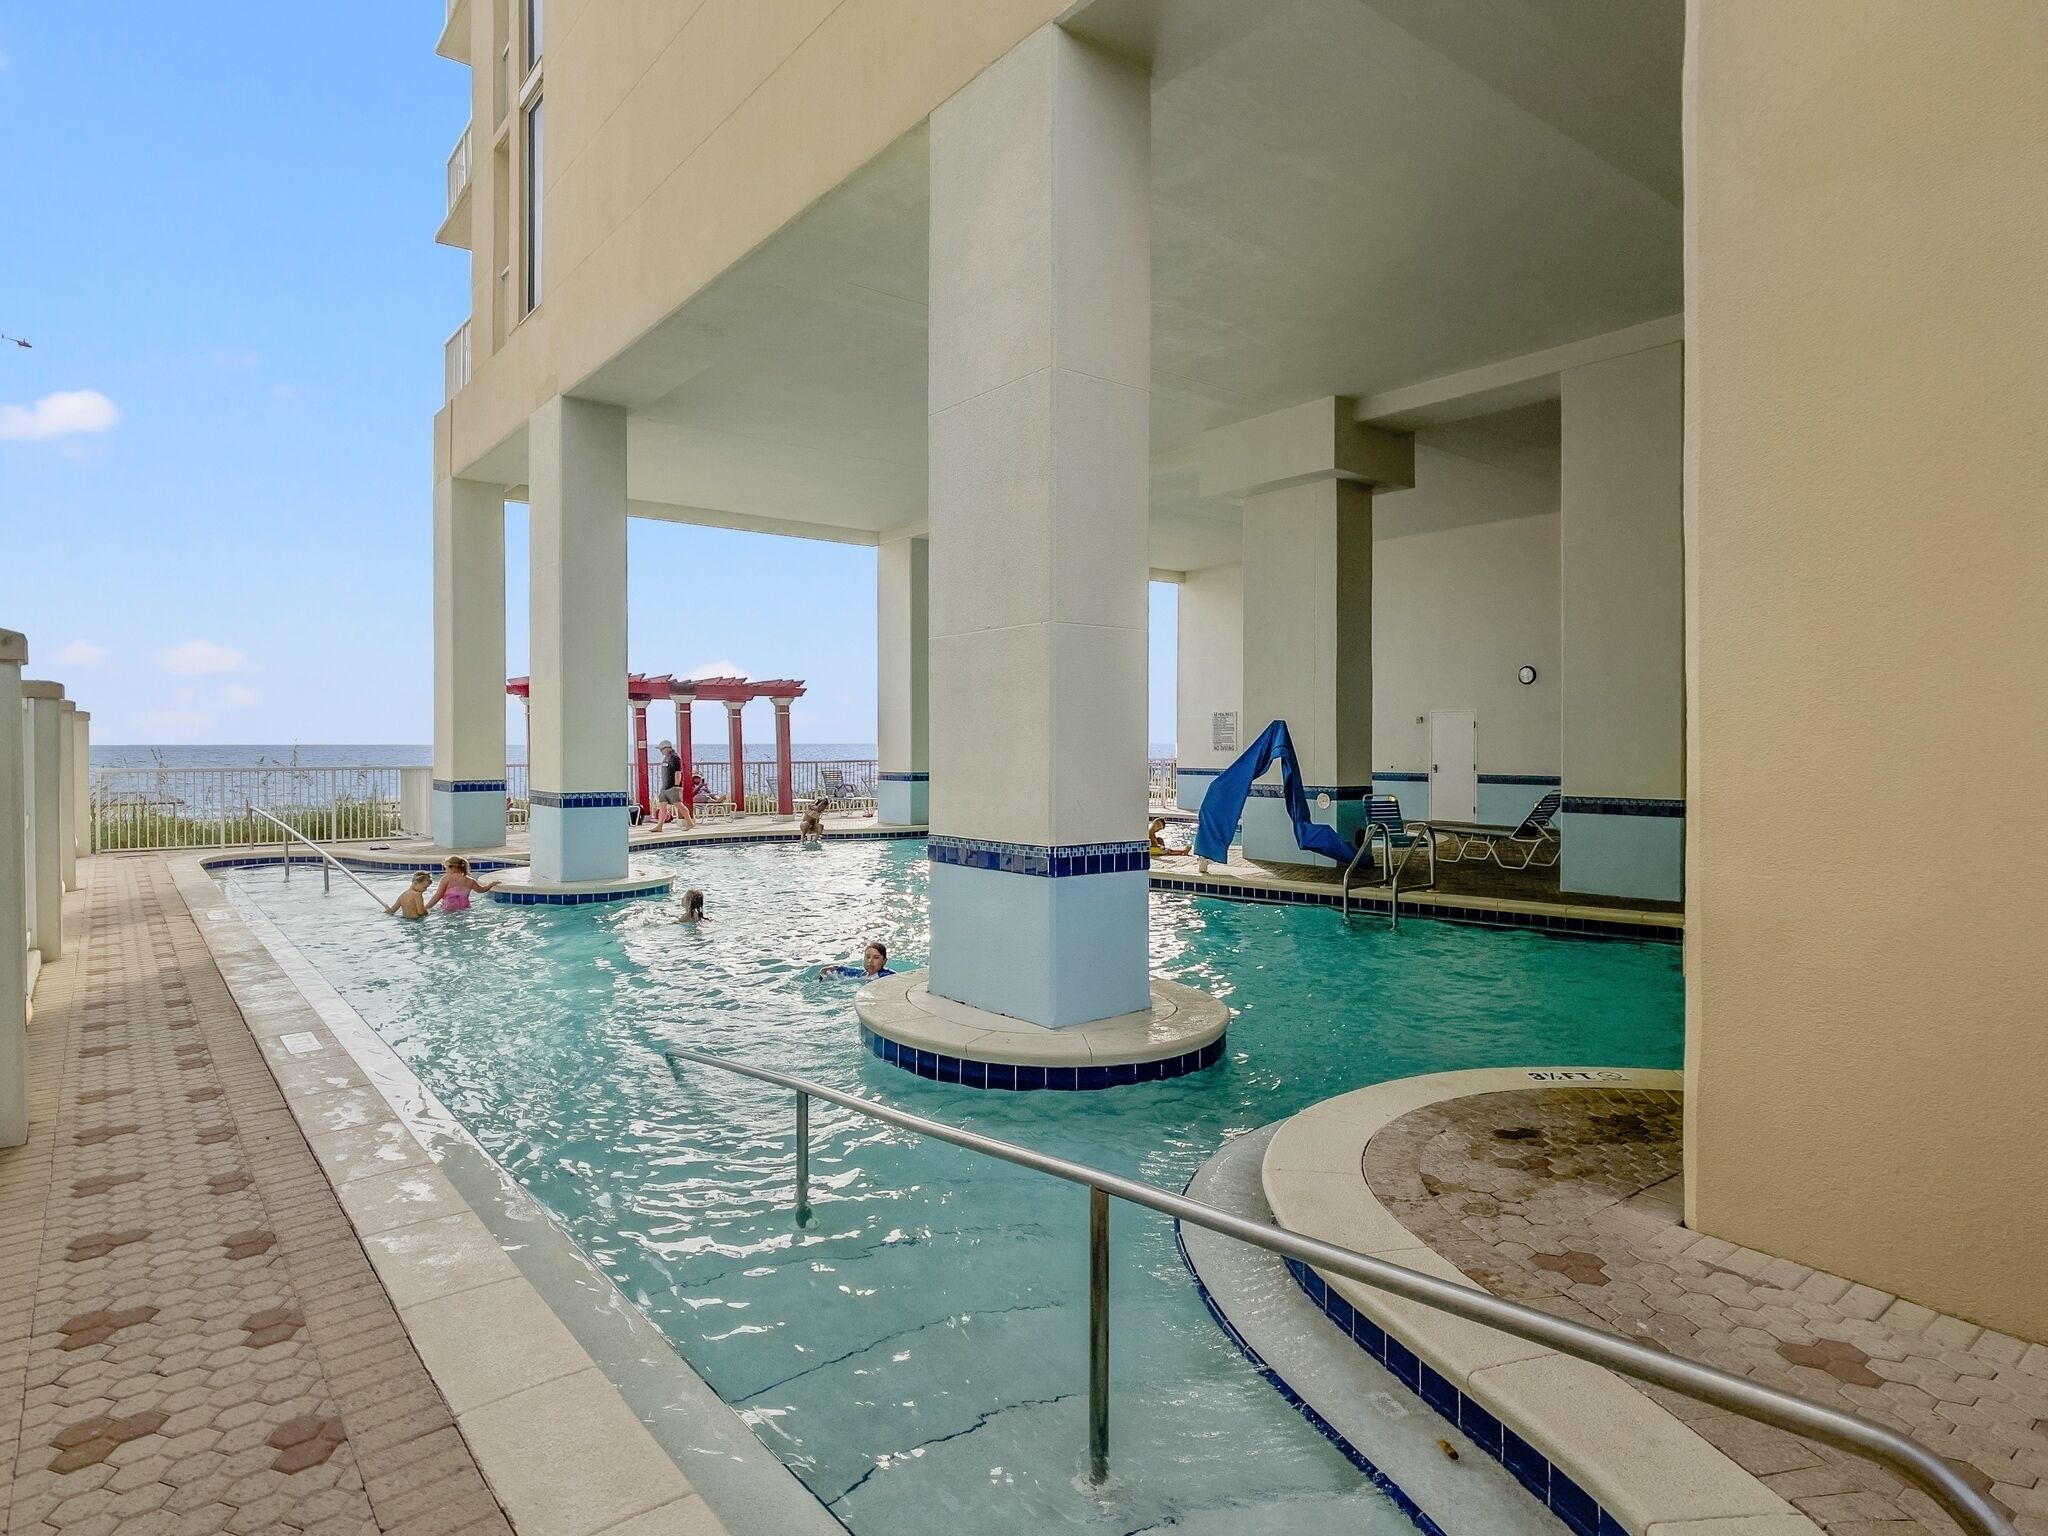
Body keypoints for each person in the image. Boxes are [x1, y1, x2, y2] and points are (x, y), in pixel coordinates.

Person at [427, 855, 499, 913]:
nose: (446, 870)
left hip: (449, 908)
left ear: (452, 868)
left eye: (446, 868)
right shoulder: (471, 880)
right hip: (465, 908)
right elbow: (481, 890)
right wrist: (490, 885)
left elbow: (437, 896)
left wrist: (426, 907)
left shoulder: (446, 878)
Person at [819, 941, 893, 980]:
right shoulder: (862, 974)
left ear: (884, 961)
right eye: (867, 957)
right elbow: (841, 969)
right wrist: (829, 970)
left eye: (876, 957)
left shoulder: (888, 976)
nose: (870, 960)